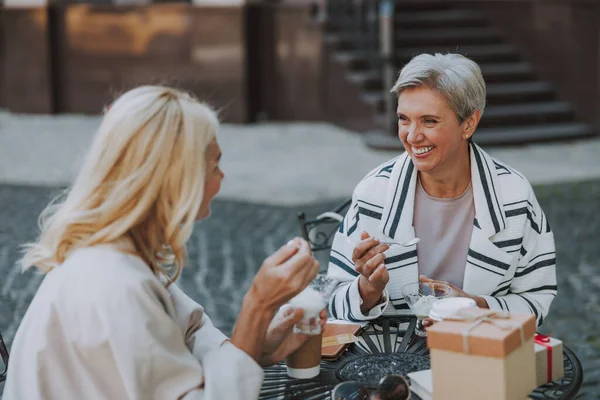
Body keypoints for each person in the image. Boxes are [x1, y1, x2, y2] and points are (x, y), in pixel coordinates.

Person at [2, 86, 323, 399]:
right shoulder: (113, 283)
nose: (222, 177)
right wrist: (258, 305)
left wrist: (256, 343)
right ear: (176, 179)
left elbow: (186, 333)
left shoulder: (114, 251)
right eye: (214, 164)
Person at [326, 53, 557, 328]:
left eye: (429, 121)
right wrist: (368, 289)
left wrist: (473, 306)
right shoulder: (374, 193)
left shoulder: (513, 196)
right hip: (390, 360)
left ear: (468, 124)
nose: (412, 136)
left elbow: (536, 298)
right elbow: (332, 300)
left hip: (478, 355)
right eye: (404, 119)